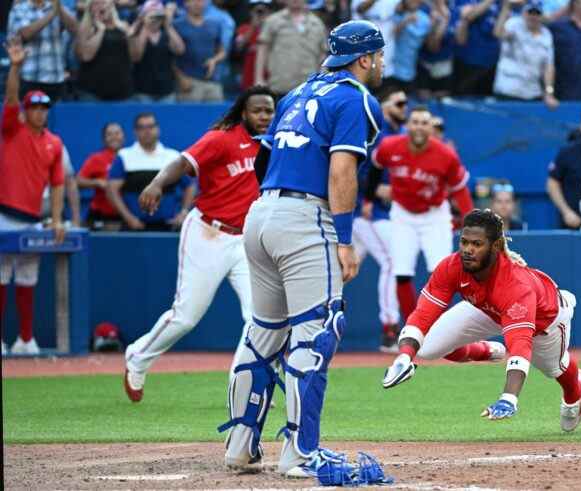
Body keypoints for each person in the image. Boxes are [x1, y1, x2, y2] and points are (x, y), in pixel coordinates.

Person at [221, 20, 385, 477]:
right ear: (365, 58)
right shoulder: (354, 97)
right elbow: (341, 172)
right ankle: (300, 452)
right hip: (307, 217)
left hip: (263, 213)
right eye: (378, 54)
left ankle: (239, 444)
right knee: (316, 333)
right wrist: (346, 239)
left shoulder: (296, 93)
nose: (381, 63)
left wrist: (273, 207)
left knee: (263, 334)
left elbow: (262, 159)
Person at [123, 87, 276, 403]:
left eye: (269, 111)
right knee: (186, 316)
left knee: (259, 317)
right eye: (258, 110)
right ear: (243, 112)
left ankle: (246, 382)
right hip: (209, 232)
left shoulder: (274, 142)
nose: (264, 116)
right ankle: (138, 356)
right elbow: (182, 162)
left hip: (246, 239)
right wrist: (156, 183)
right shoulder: (222, 138)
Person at [382, 209, 581, 433]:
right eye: (464, 242)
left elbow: (519, 346)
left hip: (543, 320)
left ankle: (574, 393)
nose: (468, 250)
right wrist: (403, 358)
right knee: (427, 347)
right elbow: (423, 314)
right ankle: (484, 351)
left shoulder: (515, 285)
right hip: (489, 310)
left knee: (554, 369)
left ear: (496, 246)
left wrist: (509, 398)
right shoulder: (451, 266)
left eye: (477, 244)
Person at [366, 105, 473, 323]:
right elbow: (375, 167)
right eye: (414, 122)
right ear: (407, 126)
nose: (419, 127)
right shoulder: (390, 146)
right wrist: (369, 198)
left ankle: (439, 328)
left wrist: (471, 221)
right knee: (402, 272)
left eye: (424, 123)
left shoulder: (445, 154)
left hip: (434, 215)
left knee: (441, 273)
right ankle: (411, 326)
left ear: (431, 128)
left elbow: (459, 189)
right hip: (403, 214)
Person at [0, 39, 65, 356]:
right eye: (34, 108)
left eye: (44, 108)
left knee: (27, 278)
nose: (39, 113)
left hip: (33, 220)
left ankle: (26, 339)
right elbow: (11, 97)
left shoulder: (54, 142)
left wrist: (54, 219)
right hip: (4, 214)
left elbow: (57, 185)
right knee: (0, 277)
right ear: (26, 112)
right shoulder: (13, 128)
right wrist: (15, 66)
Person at [352, 87, 407, 352]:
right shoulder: (376, 134)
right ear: (384, 106)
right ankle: (389, 329)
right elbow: (354, 169)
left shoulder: (400, 137)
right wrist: (371, 193)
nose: (403, 108)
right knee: (392, 261)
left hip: (383, 212)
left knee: (341, 270)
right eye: (399, 102)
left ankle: (310, 320)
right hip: (366, 212)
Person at [106, 112, 195, 231]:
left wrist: (184, 213)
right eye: (142, 128)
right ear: (135, 132)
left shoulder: (173, 156)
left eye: (151, 127)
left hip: (168, 227)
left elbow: (190, 186)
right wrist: (129, 218)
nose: (147, 131)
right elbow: (112, 191)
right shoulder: (124, 156)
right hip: (133, 228)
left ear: (158, 129)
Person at [7, 0, 79, 103]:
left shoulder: (58, 8)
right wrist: (51, 15)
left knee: (55, 118)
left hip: (56, 79)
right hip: (29, 78)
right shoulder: (19, 9)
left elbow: (75, 29)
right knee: (29, 118)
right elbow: (25, 34)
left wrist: (59, 10)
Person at [255, 0, 328, 97]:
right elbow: (262, 51)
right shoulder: (273, 21)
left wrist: (322, 81)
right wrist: (258, 78)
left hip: (308, 89)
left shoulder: (317, 23)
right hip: (279, 87)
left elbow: (323, 56)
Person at [493, 0, 558, 109]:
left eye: (537, 13)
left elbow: (548, 67)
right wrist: (505, 9)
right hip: (508, 90)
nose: (533, 17)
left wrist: (549, 93)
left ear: (542, 16)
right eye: (530, 13)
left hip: (532, 92)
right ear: (524, 13)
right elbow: (498, 33)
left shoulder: (546, 35)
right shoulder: (514, 24)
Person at [75, 0, 135, 101]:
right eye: (96, 3)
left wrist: (130, 35)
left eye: (103, 2)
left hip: (122, 91)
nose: (100, 6)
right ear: (90, 8)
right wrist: (101, 30)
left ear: (111, 5)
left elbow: (134, 56)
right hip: (92, 92)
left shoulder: (123, 26)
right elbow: (85, 56)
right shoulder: (86, 28)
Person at [129, 0, 186, 102]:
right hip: (143, 90)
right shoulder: (137, 34)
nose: (155, 19)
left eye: (158, 16)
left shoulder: (167, 34)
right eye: (152, 15)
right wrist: (145, 27)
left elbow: (180, 50)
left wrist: (168, 25)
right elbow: (136, 56)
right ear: (144, 16)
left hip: (166, 90)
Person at [173, 0, 226, 102]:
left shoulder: (214, 25)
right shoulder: (177, 25)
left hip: (213, 82)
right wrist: (180, 78)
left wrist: (214, 60)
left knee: (217, 117)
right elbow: (169, 57)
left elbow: (222, 51)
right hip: (189, 82)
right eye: (194, 1)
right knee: (189, 117)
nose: (198, 4)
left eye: (201, 1)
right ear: (186, 3)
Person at [77, 122, 126, 230]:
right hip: (99, 214)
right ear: (104, 139)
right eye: (109, 134)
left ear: (124, 136)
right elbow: (78, 181)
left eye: (117, 133)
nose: (114, 137)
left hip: (125, 213)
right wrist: (97, 182)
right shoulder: (96, 158)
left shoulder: (130, 157)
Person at [454, 0, 502, 95]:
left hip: (494, 64)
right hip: (468, 61)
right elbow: (468, 16)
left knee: (489, 105)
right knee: (463, 101)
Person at [390, 0, 432, 93]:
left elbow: (427, 44)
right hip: (392, 69)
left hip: (411, 69)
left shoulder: (425, 19)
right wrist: (405, 22)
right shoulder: (397, 14)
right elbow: (392, 37)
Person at [233, 0, 273, 91]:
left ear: (270, 12)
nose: (260, 14)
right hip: (248, 80)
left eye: (264, 11)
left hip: (271, 79)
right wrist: (253, 26)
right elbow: (238, 47)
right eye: (257, 11)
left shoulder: (275, 30)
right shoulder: (244, 28)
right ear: (251, 12)